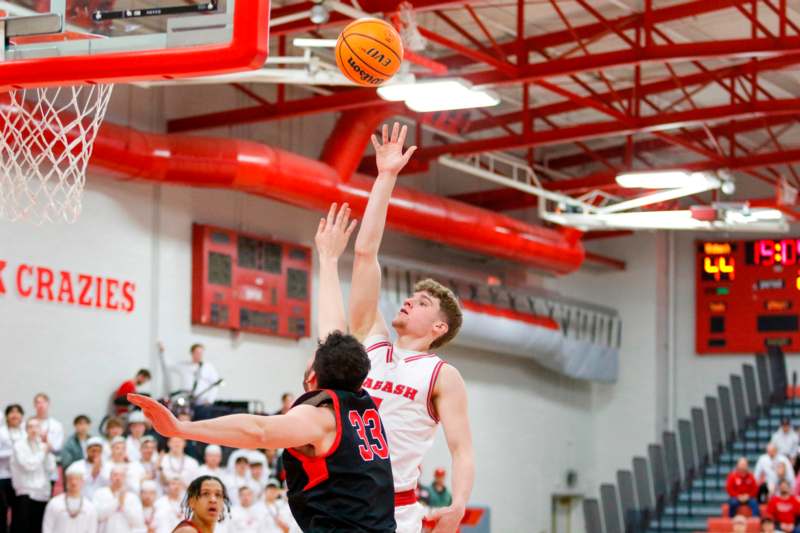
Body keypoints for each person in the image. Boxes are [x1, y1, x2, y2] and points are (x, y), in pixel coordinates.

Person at [130, 202, 396, 533]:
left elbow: (259, 431)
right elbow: (333, 337)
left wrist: (181, 429)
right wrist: (327, 261)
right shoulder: (360, 400)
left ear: (313, 376)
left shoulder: (321, 417)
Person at [348, 123, 474, 532]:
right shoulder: (373, 342)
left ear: (439, 326)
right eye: (410, 297)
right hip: (338, 500)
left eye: (421, 302)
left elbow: (461, 448)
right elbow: (366, 254)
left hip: (394, 510)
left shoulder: (441, 375)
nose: (407, 301)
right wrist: (385, 177)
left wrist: (459, 503)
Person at [10, 417, 56, 533]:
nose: (34, 429)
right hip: (25, 492)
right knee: (22, 526)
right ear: (25, 429)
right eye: (30, 426)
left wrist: (48, 451)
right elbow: (28, 465)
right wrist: (43, 452)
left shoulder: (43, 445)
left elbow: (50, 468)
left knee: (38, 526)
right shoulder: (19, 445)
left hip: (42, 492)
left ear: (41, 429)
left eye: (37, 426)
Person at [42, 462, 98, 533]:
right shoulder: (54, 503)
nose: (73, 482)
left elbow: (92, 530)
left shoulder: (89, 507)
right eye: (70, 479)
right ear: (66, 481)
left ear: (82, 482)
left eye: (77, 479)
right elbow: (47, 528)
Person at [93, 465, 145, 533]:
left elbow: (138, 522)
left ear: (125, 478)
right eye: (115, 475)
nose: (118, 478)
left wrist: (124, 506)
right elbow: (97, 516)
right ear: (110, 477)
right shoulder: (100, 493)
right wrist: (117, 502)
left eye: (121, 475)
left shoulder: (132, 497)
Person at [0, 404, 24, 533]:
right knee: (2, 508)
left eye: (18, 412)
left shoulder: (25, 431)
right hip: (3, 476)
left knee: (19, 509)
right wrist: (12, 453)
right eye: (11, 412)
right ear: (7, 416)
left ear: (22, 416)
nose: (15, 415)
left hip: (20, 477)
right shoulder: (1, 431)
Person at [31, 393, 63, 489]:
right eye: (38, 402)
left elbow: (57, 449)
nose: (41, 405)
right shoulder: (29, 423)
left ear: (48, 404)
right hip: (31, 468)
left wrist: (46, 442)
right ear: (34, 405)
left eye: (43, 402)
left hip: (49, 467)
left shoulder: (56, 425)